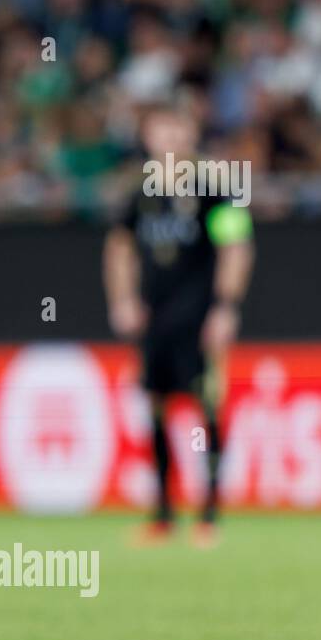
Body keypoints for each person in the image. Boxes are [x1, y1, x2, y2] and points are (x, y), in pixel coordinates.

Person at [103, 100, 255, 548]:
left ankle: (209, 513)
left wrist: (226, 305)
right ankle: (164, 514)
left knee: (205, 405)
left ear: (190, 136)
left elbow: (237, 245)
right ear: (148, 138)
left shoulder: (214, 188)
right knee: (154, 404)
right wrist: (123, 299)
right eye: (160, 132)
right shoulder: (139, 193)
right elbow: (118, 248)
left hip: (199, 317)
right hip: (154, 317)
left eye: (176, 131)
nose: (169, 141)